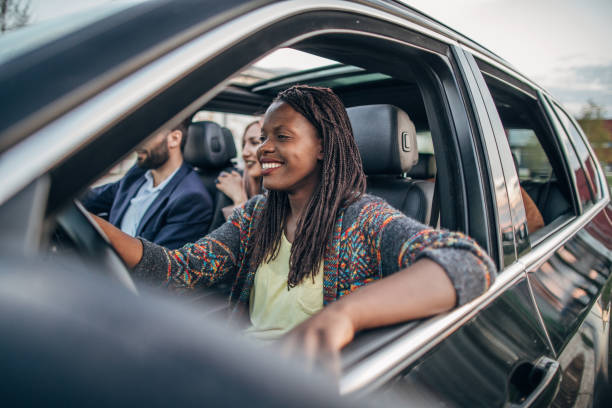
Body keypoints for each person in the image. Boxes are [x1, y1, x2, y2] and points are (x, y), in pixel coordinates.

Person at [93, 85, 495, 361]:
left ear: (322, 145)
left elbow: (469, 264)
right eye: (263, 136)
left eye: (281, 136)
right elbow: (182, 271)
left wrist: (343, 316)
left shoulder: (361, 216)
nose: (264, 148)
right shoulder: (258, 215)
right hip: (245, 370)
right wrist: (93, 226)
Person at [82, 122, 213, 249]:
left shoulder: (191, 198)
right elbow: (92, 198)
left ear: (174, 138)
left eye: (147, 134)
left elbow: (159, 264)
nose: (137, 144)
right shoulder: (138, 174)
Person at [215, 120, 264, 219]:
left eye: (254, 143)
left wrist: (239, 200)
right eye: (243, 145)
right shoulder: (233, 179)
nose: (244, 153)